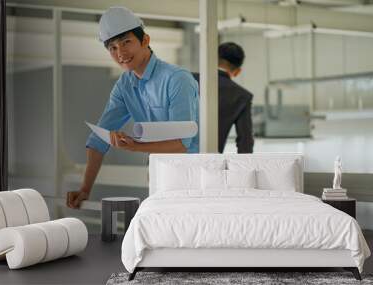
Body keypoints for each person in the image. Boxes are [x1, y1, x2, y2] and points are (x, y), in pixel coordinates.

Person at [67, 7, 199, 209]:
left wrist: (135, 146)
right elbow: (98, 140)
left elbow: (182, 144)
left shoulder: (177, 79)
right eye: (113, 48)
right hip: (157, 173)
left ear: (145, 40)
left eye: (126, 42)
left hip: (192, 174)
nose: (120, 53)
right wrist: (85, 189)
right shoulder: (124, 85)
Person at [193, 42, 254, 153]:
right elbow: (245, 142)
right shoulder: (242, 96)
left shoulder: (187, 79)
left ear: (211, 59)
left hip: (171, 159)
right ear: (237, 72)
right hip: (209, 162)